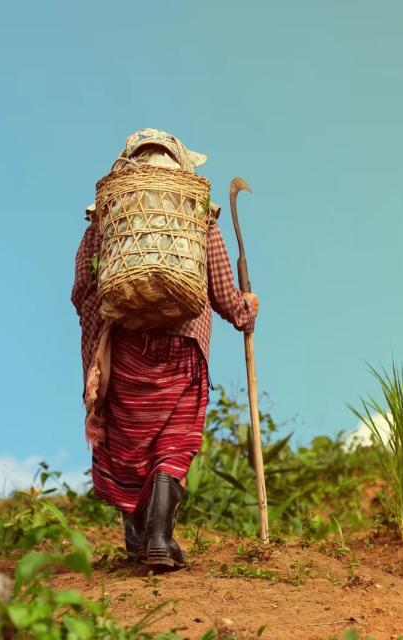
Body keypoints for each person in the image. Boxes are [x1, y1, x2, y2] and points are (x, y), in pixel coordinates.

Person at [72, 129, 259, 569]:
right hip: (182, 352)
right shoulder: (198, 219)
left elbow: (83, 287)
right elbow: (224, 295)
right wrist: (246, 310)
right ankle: (160, 536)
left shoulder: (108, 218)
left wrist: (101, 340)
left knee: (127, 443)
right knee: (173, 441)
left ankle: (139, 535)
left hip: (126, 350)